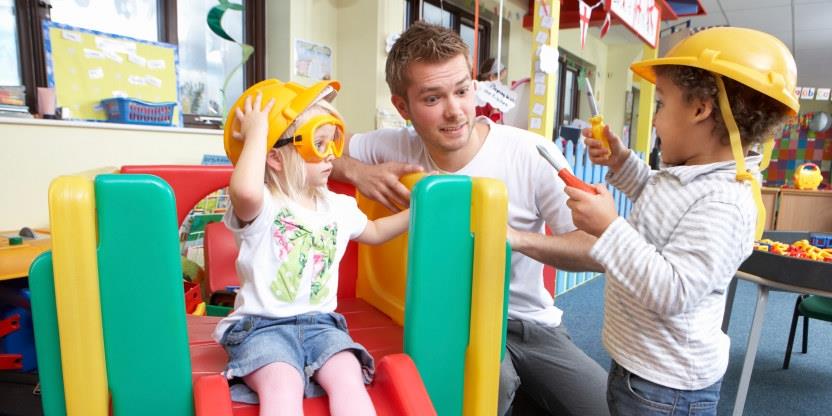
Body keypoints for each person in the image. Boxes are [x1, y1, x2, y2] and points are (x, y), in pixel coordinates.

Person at [332, 21, 610, 416]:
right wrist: (356, 171)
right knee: (489, 388)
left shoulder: (530, 153)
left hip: (528, 323)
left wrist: (513, 237)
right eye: (432, 99)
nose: (455, 111)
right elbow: (308, 153)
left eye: (463, 90)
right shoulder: (389, 145)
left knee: (605, 408)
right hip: (447, 320)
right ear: (402, 106)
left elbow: (597, 249)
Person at [563, 27, 798, 415]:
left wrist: (609, 227)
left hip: (666, 389)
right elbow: (659, 199)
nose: (654, 120)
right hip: (642, 368)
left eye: (661, 104)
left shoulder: (724, 202)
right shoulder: (688, 174)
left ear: (700, 109)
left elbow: (674, 291)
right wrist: (620, 160)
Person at [215, 78, 410, 416]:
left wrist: (417, 212)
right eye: (319, 145)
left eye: (333, 141)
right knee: (283, 383)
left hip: (322, 324)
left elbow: (375, 231)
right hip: (264, 327)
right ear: (274, 158)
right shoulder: (264, 206)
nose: (332, 156)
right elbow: (244, 191)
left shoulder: (337, 205)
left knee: (348, 374)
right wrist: (257, 133)